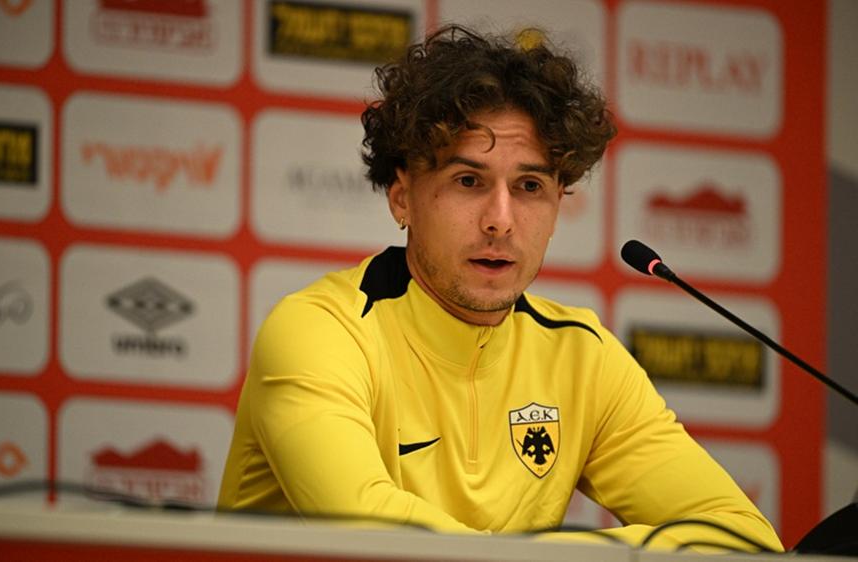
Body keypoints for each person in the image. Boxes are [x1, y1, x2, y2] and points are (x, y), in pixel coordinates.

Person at [218, 24, 783, 552]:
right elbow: (371, 534)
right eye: (469, 181)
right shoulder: (320, 331)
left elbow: (744, 537)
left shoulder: (583, 359)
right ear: (402, 197)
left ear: (559, 205)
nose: (500, 221)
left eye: (530, 186)